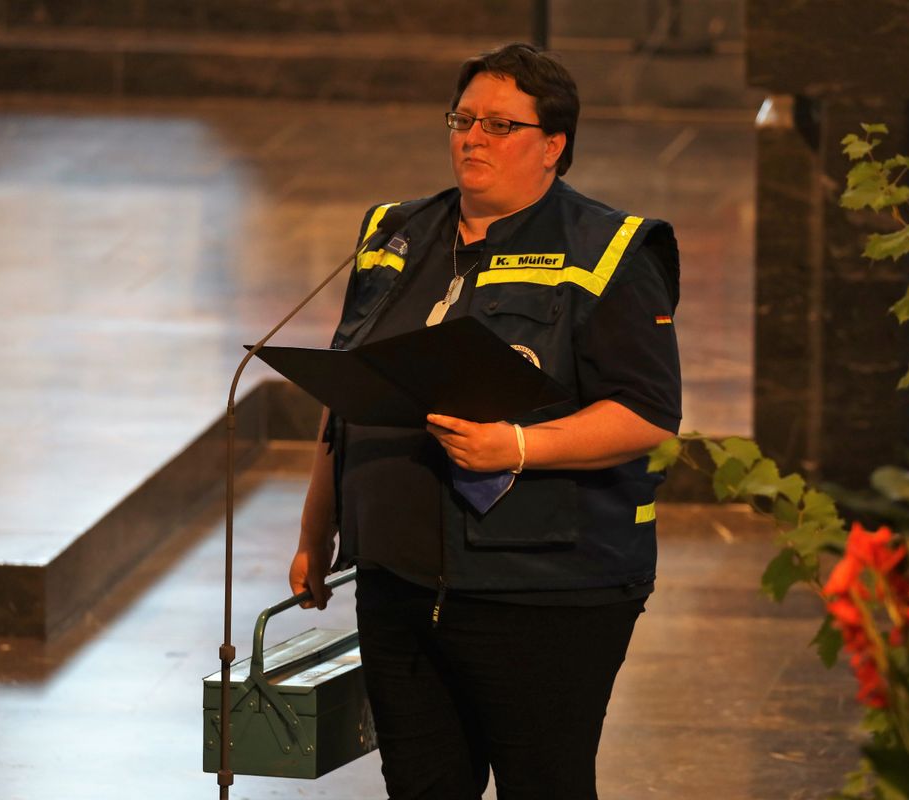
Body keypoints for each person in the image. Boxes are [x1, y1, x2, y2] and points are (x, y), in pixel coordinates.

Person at [289, 42, 681, 800]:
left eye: (499, 125)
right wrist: (316, 531)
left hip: (543, 588)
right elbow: (349, 398)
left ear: (554, 145)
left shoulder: (609, 250)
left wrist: (519, 446)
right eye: (463, 119)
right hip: (396, 580)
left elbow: (647, 413)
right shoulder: (392, 235)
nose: (472, 138)